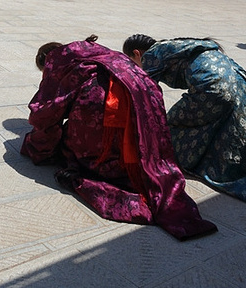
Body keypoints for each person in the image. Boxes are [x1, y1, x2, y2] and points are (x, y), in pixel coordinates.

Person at [22, 35, 218, 240]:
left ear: (46, 63)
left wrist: (36, 146)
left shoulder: (58, 61)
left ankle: (107, 164)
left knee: (77, 138)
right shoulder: (92, 52)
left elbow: (46, 114)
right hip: (146, 93)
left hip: (107, 106)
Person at [123, 34, 246, 203]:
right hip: (240, 81)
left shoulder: (151, 55)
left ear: (137, 53)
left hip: (214, 88)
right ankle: (236, 166)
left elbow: (145, 90)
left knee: (171, 124)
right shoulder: (176, 46)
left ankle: (191, 161)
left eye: (132, 61)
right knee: (227, 127)